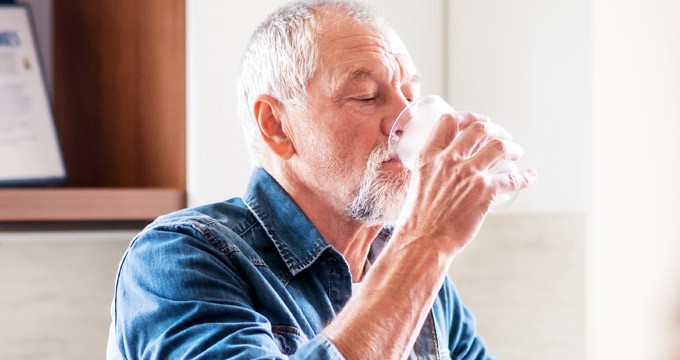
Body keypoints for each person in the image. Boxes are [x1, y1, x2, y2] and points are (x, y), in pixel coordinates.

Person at [106, 1, 536, 359]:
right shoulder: (178, 259)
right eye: (366, 96)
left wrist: (423, 249)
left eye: (410, 94)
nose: (404, 121)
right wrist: (426, 241)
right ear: (276, 126)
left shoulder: (415, 269)